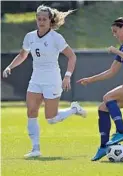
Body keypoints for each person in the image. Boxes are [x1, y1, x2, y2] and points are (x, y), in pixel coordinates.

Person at [2, 5, 86, 158]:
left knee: (51, 119)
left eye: (44, 19)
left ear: (50, 20)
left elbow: (72, 56)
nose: (41, 22)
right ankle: (35, 149)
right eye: (39, 19)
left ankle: (74, 109)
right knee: (31, 112)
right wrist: (9, 67)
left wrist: (67, 76)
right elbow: (22, 55)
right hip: (36, 79)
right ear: (36, 19)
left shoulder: (56, 38)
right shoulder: (30, 37)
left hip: (52, 80)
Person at [77, 14, 123, 161]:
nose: (114, 35)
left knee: (107, 97)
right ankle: (103, 146)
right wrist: (90, 79)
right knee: (103, 107)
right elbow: (111, 72)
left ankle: (121, 131)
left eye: (115, 31)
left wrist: (117, 52)